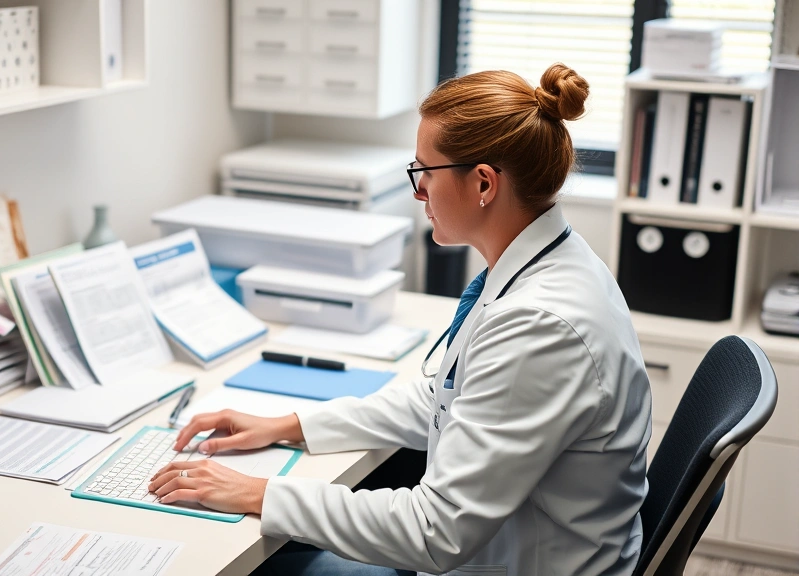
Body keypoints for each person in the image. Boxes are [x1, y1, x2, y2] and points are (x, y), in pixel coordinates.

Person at [147, 63, 652, 575]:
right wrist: (291, 425)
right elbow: (446, 397)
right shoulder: (552, 263)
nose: (418, 192)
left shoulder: (539, 325)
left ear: (483, 183)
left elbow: (435, 531)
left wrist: (260, 493)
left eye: (425, 172)